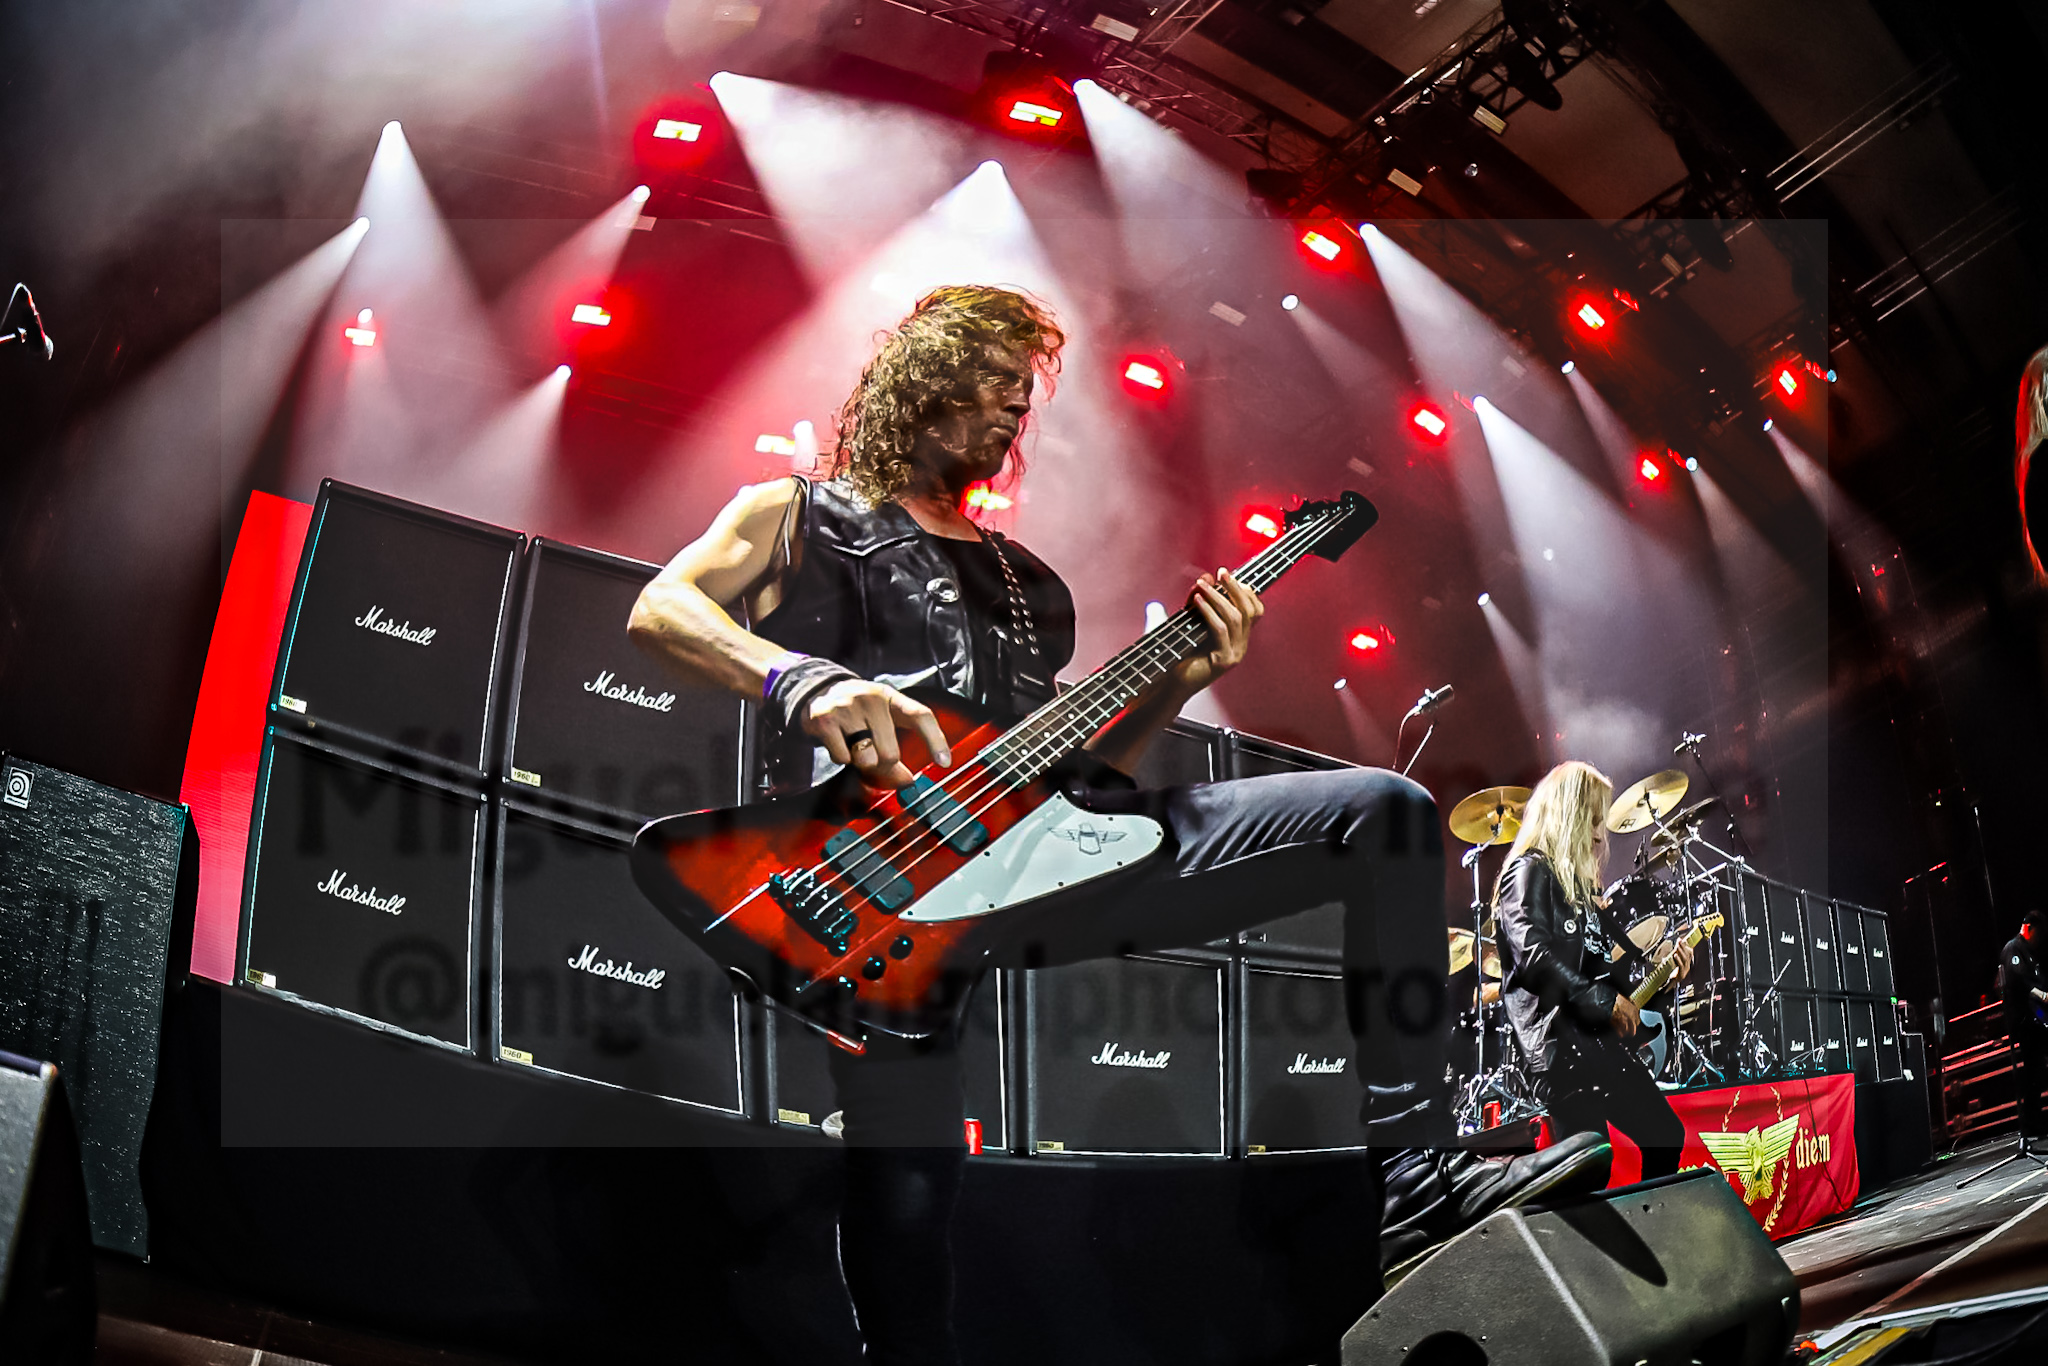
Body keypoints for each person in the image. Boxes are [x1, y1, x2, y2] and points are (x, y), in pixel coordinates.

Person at [627, 285, 1603, 1363]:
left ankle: (1412, 1177)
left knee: (1385, 811)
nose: (1016, 408)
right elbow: (663, 606)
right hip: (871, 882)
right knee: (907, 1177)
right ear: (923, 379)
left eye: (1024, 392)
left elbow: (1080, 780)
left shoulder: (1022, 581)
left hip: (1039, 854)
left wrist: (1180, 679)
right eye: (995, 382)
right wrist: (800, 680)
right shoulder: (799, 511)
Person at [1493, 761, 1693, 1183]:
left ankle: (1647, 1225)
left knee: (1664, 1135)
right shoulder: (1527, 872)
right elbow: (1533, 957)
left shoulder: (1580, 894)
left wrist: (1664, 975)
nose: (1601, 835)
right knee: (1590, 1169)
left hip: (1596, 1045)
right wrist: (1604, 1002)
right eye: (1593, 819)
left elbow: (1611, 975)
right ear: (1568, 814)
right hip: (1559, 1051)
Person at [1998, 908, 2048, 1143]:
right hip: (2025, 1020)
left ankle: (2036, 1122)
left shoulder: (2030, 952)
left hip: (2037, 1018)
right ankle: (2032, 1124)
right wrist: (2042, 995)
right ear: (2029, 928)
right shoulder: (2013, 949)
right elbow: (2019, 981)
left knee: (2037, 1070)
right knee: (2033, 1071)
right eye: (2038, 933)